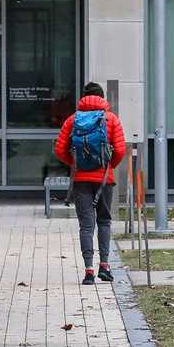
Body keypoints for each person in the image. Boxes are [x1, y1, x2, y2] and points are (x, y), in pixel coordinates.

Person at [54, 82, 127, 285]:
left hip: (81, 181)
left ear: (83, 98)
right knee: (104, 221)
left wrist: (76, 164)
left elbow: (59, 150)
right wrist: (108, 166)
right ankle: (105, 266)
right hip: (105, 179)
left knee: (86, 226)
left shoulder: (73, 119)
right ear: (102, 98)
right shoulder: (111, 119)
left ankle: (88, 271)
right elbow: (120, 150)